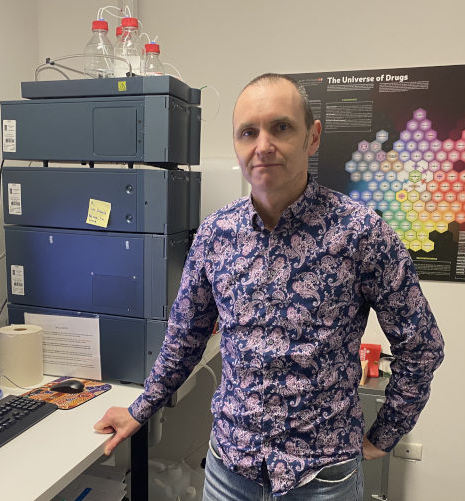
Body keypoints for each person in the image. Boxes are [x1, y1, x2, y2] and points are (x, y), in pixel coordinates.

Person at [94, 73, 445, 499]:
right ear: (237, 145)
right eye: (248, 132)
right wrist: (140, 409)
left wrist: (385, 434)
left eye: (281, 127)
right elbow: (184, 337)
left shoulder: (361, 233)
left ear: (312, 138)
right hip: (229, 470)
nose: (263, 145)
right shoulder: (215, 235)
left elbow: (421, 345)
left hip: (321, 477)